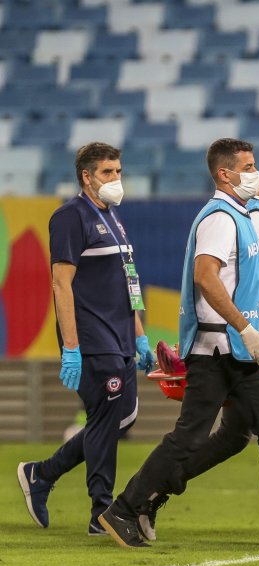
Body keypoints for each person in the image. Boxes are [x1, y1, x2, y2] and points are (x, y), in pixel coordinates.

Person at [98, 138, 259, 549]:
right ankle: (124, 507)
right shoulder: (219, 218)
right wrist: (245, 326)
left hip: (239, 352)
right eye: (245, 167)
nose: (253, 174)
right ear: (223, 174)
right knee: (191, 436)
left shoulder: (239, 216)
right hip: (217, 349)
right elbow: (205, 277)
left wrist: (252, 335)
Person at [16, 142, 155, 537]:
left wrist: (140, 335)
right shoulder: (69, 217)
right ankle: (101, 511)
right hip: (94, 337)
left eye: (118, 171)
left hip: (122, 335)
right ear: (87, 176)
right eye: (108, 172)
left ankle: (41, 474)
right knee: (107, 417)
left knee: (118, 418)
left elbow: (129, 282)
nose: (116, 179)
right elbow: (61, 285)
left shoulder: (114, 218)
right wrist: (72, 347)